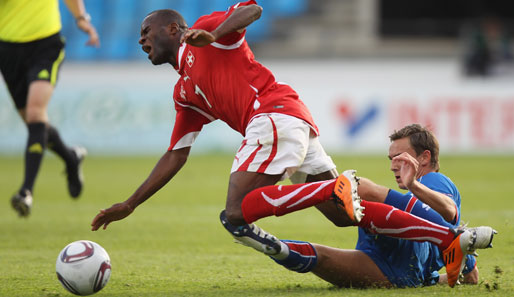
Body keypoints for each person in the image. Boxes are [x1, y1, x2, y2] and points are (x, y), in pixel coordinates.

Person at [90, 1, 494, 288]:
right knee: (342, 216)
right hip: (291, 122)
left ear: (173, 29)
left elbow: (252, 10)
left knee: (235, 215)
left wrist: (213, 33)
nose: (141, 39)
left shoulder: (208, 34)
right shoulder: (184, 92)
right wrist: (131, 203)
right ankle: (447, 237)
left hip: (273, 116)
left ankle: (325, 189)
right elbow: (176, 154)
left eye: (147, 31)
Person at [267, 124, 491, 288]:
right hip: (390, 272)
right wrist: (428, 279)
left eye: (400, 157)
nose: (393, 165)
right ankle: (256, 237)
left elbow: (448, 210)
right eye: (391, 158)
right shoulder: (456, 235)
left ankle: (290, 175)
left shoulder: (433, 181)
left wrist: (413, 184)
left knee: (361, 188)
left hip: (393, 260)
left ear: (424, 158)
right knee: (316, 256)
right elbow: (472, 277)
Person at [0, 0, 99, 217]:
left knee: (36, 113)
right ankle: (71, 157)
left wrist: (82, 18)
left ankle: (26, 191)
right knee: (34, 123)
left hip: (45, 44)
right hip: (8, 49)